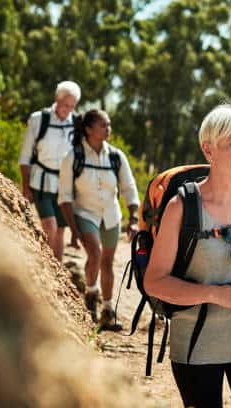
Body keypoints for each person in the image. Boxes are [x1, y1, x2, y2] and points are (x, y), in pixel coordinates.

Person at [144, 105, 231, 407]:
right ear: (209, 149)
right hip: (196, 345)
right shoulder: (182, 208)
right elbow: (154, 282)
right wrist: (216, 294)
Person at [58, 109, 140, 330]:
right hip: (85, 214)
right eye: (104, 125)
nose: (108, 129)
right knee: (95, 253)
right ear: (88, 129)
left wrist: (133, 218)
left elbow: (129, 188)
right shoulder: (74, 157)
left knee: (107, 262)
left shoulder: (116, 156)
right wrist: (73, 230)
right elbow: (64, 197)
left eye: (109, 124)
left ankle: (107, 310)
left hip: (111, 215)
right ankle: (91, 296)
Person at [18, 81, 81, 261]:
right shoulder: (39, 119)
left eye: (71, 106)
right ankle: (42, 265)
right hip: (41, 180)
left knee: (61, 231)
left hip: (64, 185)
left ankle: (56, 272)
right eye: (65, 105)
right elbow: (25, 155)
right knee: (50, 226)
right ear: (56, 99)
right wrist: (25, 186)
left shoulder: (77, 124)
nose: (67, 110)